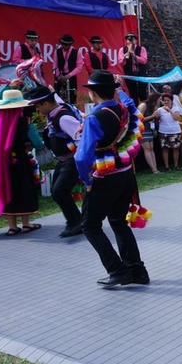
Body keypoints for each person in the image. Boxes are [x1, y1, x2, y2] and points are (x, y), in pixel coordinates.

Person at [75, 70, 148, 287]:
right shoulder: (123, 108)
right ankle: (137, 271)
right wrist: (120, 90)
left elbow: (81, 158)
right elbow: (135, 108)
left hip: (105, 178)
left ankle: (117, 269)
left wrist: (87, 182)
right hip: (126, 176)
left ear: (93, 92)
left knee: (89, 225)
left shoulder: (95, 118)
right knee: (118, 221)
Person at [28, 86, 84, 237]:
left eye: (38, 106)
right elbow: (56, 98)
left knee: (59, 191)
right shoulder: (56, 110)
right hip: (64, 160)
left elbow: (81, 137)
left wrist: (80, 162)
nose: (37, 110)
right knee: (57, 192)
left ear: (46, 104)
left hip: (71, 160)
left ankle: (75, 222)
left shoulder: (63, 118)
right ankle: (77, 220)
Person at [0, 89, 42, 236]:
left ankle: (12, 227)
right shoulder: (25, 122)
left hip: (0, 162)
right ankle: (26, 224)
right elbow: (38, 143)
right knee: (23, 189)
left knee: (7, 188)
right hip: (20, 160)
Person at [53, 34, 84, 104]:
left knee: (72, 98)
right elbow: (55, 65)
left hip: (71, 78)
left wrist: (68, 76)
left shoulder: (77, 53)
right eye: (62, 44)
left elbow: (79, 67)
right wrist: (58, 76)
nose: (62, 46)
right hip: (60, 77)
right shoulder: (57, 51)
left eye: (65, 45)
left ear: (69, 45)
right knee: (58, 98)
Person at [155, 93, 182, 170]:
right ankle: (167, 166)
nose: (166, 102)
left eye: (168, 100)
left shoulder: (176, 108)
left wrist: (170, 110)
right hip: (164, 131)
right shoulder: (160, 110)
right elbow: (156, 120)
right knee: (165, 149)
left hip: (175, 131)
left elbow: (176, 118)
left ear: (171, 101)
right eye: (164, 100)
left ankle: (176, 165)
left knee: (176, 148)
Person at [119, 33, 148, 103]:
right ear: (126, 41)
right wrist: (125, 57)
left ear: (136, 41)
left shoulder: (141, 49)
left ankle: (145, 110)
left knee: (143, 93)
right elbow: (120, 62)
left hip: (141, 74)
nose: (130, 41)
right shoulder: (122, 50)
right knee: (132, 94)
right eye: (129, 39)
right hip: (130, 74)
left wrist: (134, 56)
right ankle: (135, 111)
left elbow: (144, 60)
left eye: (132, 39)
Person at [137, 92, 161, 174]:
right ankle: (153, 169)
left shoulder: (154, 107)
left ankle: (155, 168)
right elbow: (138, 119)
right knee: (147, 149)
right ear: (155, 98)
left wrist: (156, 117)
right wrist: (152, 116)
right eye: (159, 99)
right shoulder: (144, 105)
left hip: (150, 129)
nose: (160, 101)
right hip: (142, 130)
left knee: (151, 148)